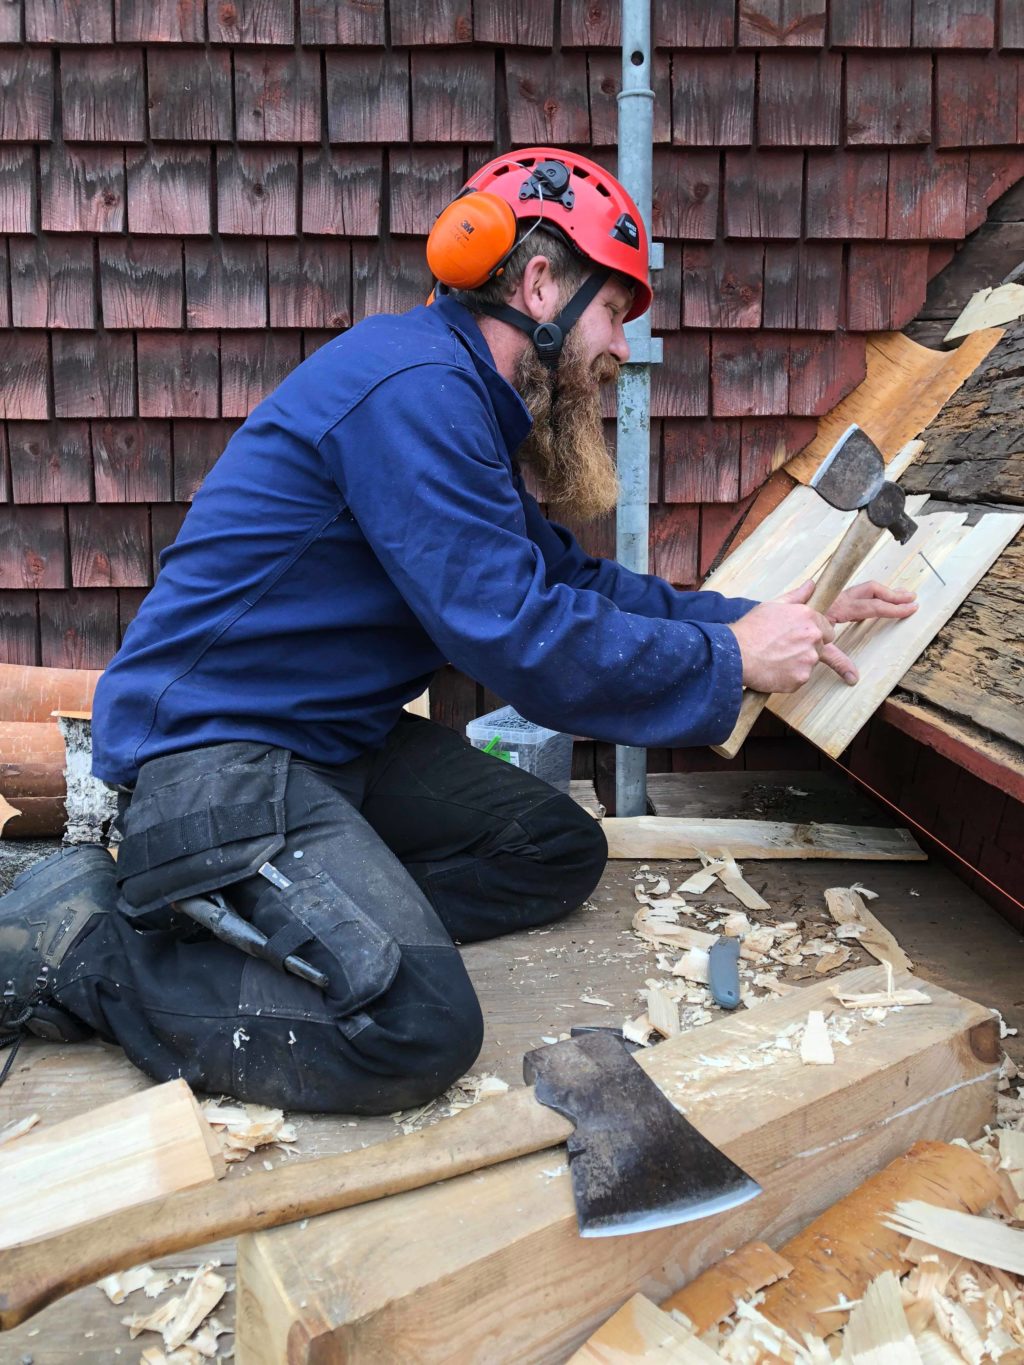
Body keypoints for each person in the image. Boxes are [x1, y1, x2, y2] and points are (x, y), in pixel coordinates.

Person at [0, 148, 916, 1108]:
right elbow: (515, 634)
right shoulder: (415, 392)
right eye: (614, 312)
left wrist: (763, 619)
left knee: (551, 848)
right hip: (220, 759)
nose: (622, 348)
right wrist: (728, 659)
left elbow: (566, 580)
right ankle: (81, 943)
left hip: (321, 744)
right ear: (538, 285)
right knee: (416, 1028)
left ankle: (305, 924)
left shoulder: (456, 400)